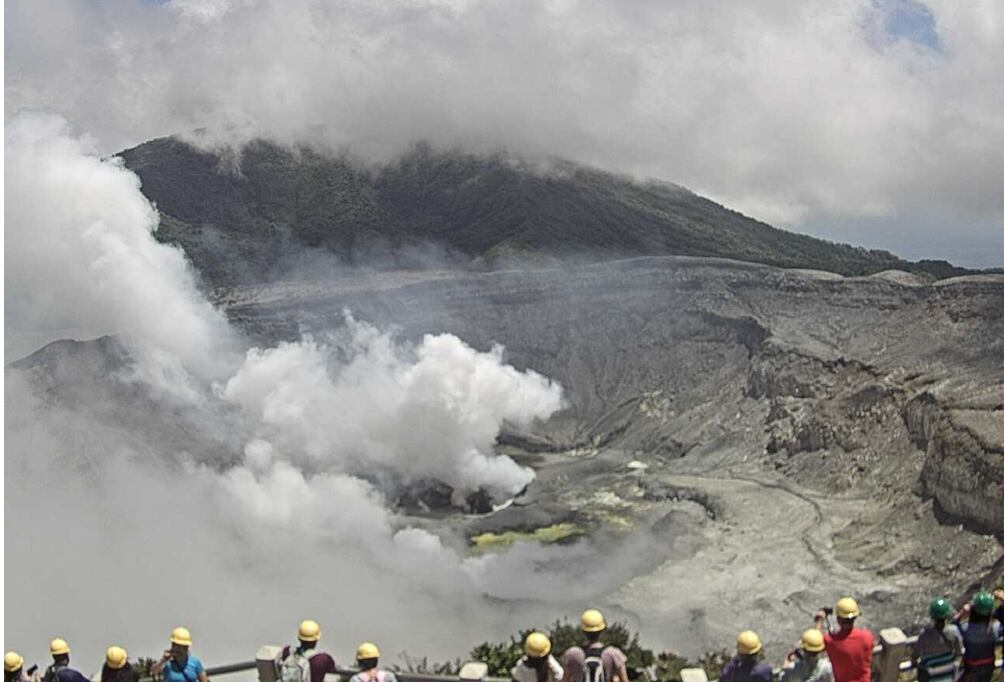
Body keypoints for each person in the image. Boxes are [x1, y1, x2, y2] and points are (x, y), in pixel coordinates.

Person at [813, 597, 873, 682]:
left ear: (838, 619)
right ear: (855, 618)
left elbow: (814, 640)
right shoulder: (867, 636)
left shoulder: (831, 642)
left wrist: (820, 620)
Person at [559, 609, 629, 682]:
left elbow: (565, 679)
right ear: (602, 630)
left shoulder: (571, 654)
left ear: (583, 631)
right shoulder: (614, 654)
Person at [955, 592, 1003, 682]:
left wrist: (962, 613)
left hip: (970, 669)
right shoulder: (995, 628)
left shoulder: (966, 629)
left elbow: (952, 628)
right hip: (988, 667)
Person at [911, 598, 962, 682]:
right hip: (948, 676)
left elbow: (915, 654)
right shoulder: (954, 631)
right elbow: (959, 652)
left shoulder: (925, 634)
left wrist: (914, 663)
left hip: (930, 677)